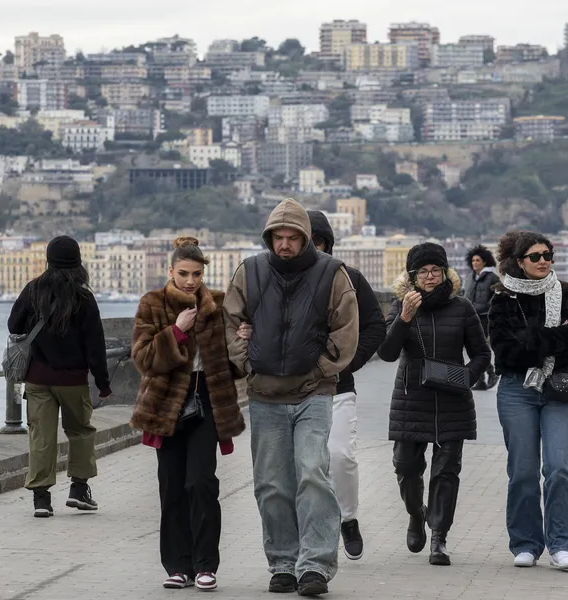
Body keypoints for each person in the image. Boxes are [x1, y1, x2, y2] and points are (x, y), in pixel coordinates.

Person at [224, 198, 359, 596]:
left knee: (313, 472)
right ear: (269, 238)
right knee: (272, 483)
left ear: (305, 238)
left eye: (292, 237)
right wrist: (246, 361)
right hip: (264, 394)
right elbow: (230, 320)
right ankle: (283, 562)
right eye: (278, 237)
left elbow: (346, 328)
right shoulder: (250, 271)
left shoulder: (331, 273)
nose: (284, 244)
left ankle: (315, 565)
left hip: (313, 392)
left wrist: (321, 368)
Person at [130, 237, 246, 592]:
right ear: (171, 271)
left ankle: (206, 564)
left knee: (201, 482)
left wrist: (242, 341)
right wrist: (176, 331)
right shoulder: (152, 304)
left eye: (196, 274)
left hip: (207, 401)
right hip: (167, 405)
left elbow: (234, 368)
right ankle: (178, 566)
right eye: (183, 273)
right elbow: (143, 359)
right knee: (171, 486)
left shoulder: (218, 306)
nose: (190, 281)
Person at [377, 242, 491, 566]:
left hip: (452, 401)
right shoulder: (401, 305)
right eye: (423, 271)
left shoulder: (462, 307)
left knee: (446, 472)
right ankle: (417, 514)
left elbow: (482, 353)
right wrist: (404, 318)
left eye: (436, 270)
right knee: (405, 467)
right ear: (413, 276)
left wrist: (465, 378)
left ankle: (439, 538)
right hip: (411, 400)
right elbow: (386, 353)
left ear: (445, 272)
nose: (430, 276)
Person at [488, 230, 568, 571]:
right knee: (523, 471)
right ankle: (526, 543)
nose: (543, 261)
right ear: (519, 261)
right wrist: (552, 338)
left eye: (547, 255)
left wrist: (532, 337)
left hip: (559, 388)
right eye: (535, 256)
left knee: (560, 467)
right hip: (517, 390)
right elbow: (505, 350)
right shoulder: (502, 298)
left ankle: (561, 545)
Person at [7, 235, 111, 518]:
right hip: (73, 380)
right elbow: (95, 346)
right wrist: (103, 383)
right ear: (78, 262)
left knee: (41, 436)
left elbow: (13, 324)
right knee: (80, 431)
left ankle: (41, 499)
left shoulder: (33, 290)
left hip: (38, 379)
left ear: (49, 260)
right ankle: (78, 489)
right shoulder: (84, 298)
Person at [307, 209, 386, 561]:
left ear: (328, 243)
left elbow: (375, 325)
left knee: (340, 455)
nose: (312, 247)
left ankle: (348, 517)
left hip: (337, 387)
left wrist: (348, 362)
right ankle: (311, 531)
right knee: (306, 465)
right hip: (293, 389)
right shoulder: (278, 278)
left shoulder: (349, 277)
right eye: (305, 240)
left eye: (318, 241)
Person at [463, 244, 501, 390]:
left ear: (485, 261)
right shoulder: (469, 278)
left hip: (484, 317)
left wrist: (488, 307)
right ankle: (481, 380)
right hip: (469, 317)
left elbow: (498, 295)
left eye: (478, 260)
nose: (475, 263)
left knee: (478, 347)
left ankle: (490, 373)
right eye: (473, 260)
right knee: (473, 349)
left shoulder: (492, 277)